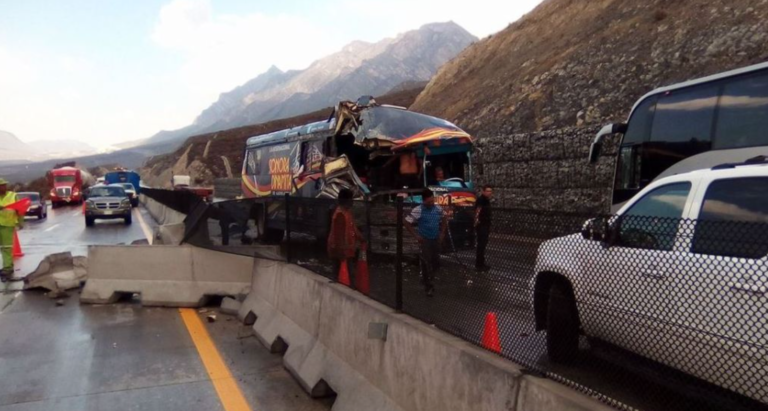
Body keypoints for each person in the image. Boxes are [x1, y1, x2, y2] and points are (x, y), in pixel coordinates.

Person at [406, 189, 447, 296]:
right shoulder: (418, 210)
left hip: (435, 238)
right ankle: (428, 284)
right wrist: (416, 236)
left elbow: (444, 218)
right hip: (425, 240)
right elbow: (407, 222)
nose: (431, 203)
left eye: (432, 201)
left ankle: (429, 278)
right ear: (424, 201)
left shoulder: (438, 209)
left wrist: (442, 232)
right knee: (426, 261)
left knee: (435, 261)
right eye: (429, 202)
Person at [327, 188, 365, 283]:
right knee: (345, 274)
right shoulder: (340, 214)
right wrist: (341, 252)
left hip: (346, 250)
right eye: (351, 199)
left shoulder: (347, 212)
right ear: (346, 200)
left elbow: (353, 228)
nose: (352, 201)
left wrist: (361, 238)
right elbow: (338, 236)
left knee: (347, 273)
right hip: (341, 250)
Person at [0, 179, 21, 282]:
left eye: (3, 185)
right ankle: (7, 266)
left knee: (7, 247)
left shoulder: (12, 195)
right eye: (1, 186)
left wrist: (20, 222)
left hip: (8, 224)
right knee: (3, 248)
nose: (2, 187)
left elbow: (19, 209)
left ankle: (7, 268)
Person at [475, 185, 493, 272]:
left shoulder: (486, 200)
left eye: (490, 191)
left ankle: (481, 263)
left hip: (485, 224)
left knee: (483, 244)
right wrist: (477, 220)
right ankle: (479, 264)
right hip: (482, 225)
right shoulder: (481, 200)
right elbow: (478, 211)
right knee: (481, 244)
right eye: (487, 191)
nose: (489, 193)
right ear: (483, 191)